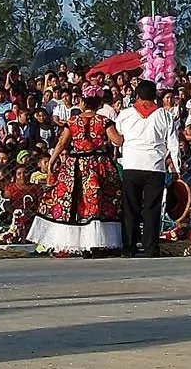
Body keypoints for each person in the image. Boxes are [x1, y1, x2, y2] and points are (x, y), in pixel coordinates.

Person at [28, 85, 122, 256]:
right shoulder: (104, 121)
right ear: (99, 103)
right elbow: (117, 140)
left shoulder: (72, 122)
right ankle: (96, 242)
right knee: (97, 201)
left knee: (75, 201)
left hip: (75, 165)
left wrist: (52, 161)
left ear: (83, 102)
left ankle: (78, 242)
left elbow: (62, 144)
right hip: (98, 164)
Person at [112, 79, 180, 258]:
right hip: (155, 166)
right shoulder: (165, 115)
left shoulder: (125, 114)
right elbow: (174, 144)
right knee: (152, 209)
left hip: (131, 165)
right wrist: (176, 169)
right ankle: (150, 248)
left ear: (137, 95)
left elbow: (116, 138)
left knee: (130, 208)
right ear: (155, 95)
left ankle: (129, 248)